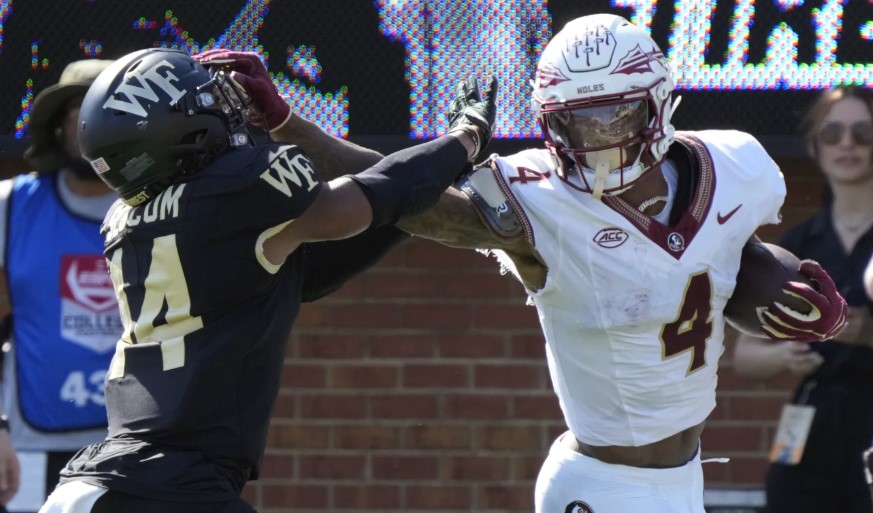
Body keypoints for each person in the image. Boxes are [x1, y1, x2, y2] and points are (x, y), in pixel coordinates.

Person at [393, 14, 848, 513]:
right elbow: (409, 207)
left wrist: (776, 287)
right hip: (601, 484)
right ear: (550, 120)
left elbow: (730, 261)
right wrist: (298, 134)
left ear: (657, 100)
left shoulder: (735, 165)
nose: (599, 138)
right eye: (579, 121)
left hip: (681, 475)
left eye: (617, 116)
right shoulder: (539, 194)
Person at [37, 47, 496, 512]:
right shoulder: (236, 188)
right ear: (182, 128)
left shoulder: (127, 220)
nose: (226, 107)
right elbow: (363, 201)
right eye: (210, 101)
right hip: (168, 484)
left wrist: (431, 181)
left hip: (98, 482)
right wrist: (464, 138)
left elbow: (310, 274)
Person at [733, 86, 873, 513]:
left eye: (863, 133)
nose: (846, 144)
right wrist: (782, 358)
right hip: (812, 421)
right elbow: (746, 353)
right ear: (815, 145)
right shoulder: (799, 244)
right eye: (832, 134)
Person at [0, 58, 117, 509]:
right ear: (57, 125)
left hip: (136, 446)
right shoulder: (12, 207)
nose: (90, 126)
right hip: (29, 444)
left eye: (107, 112)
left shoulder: (165, 211)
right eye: (79, 113)